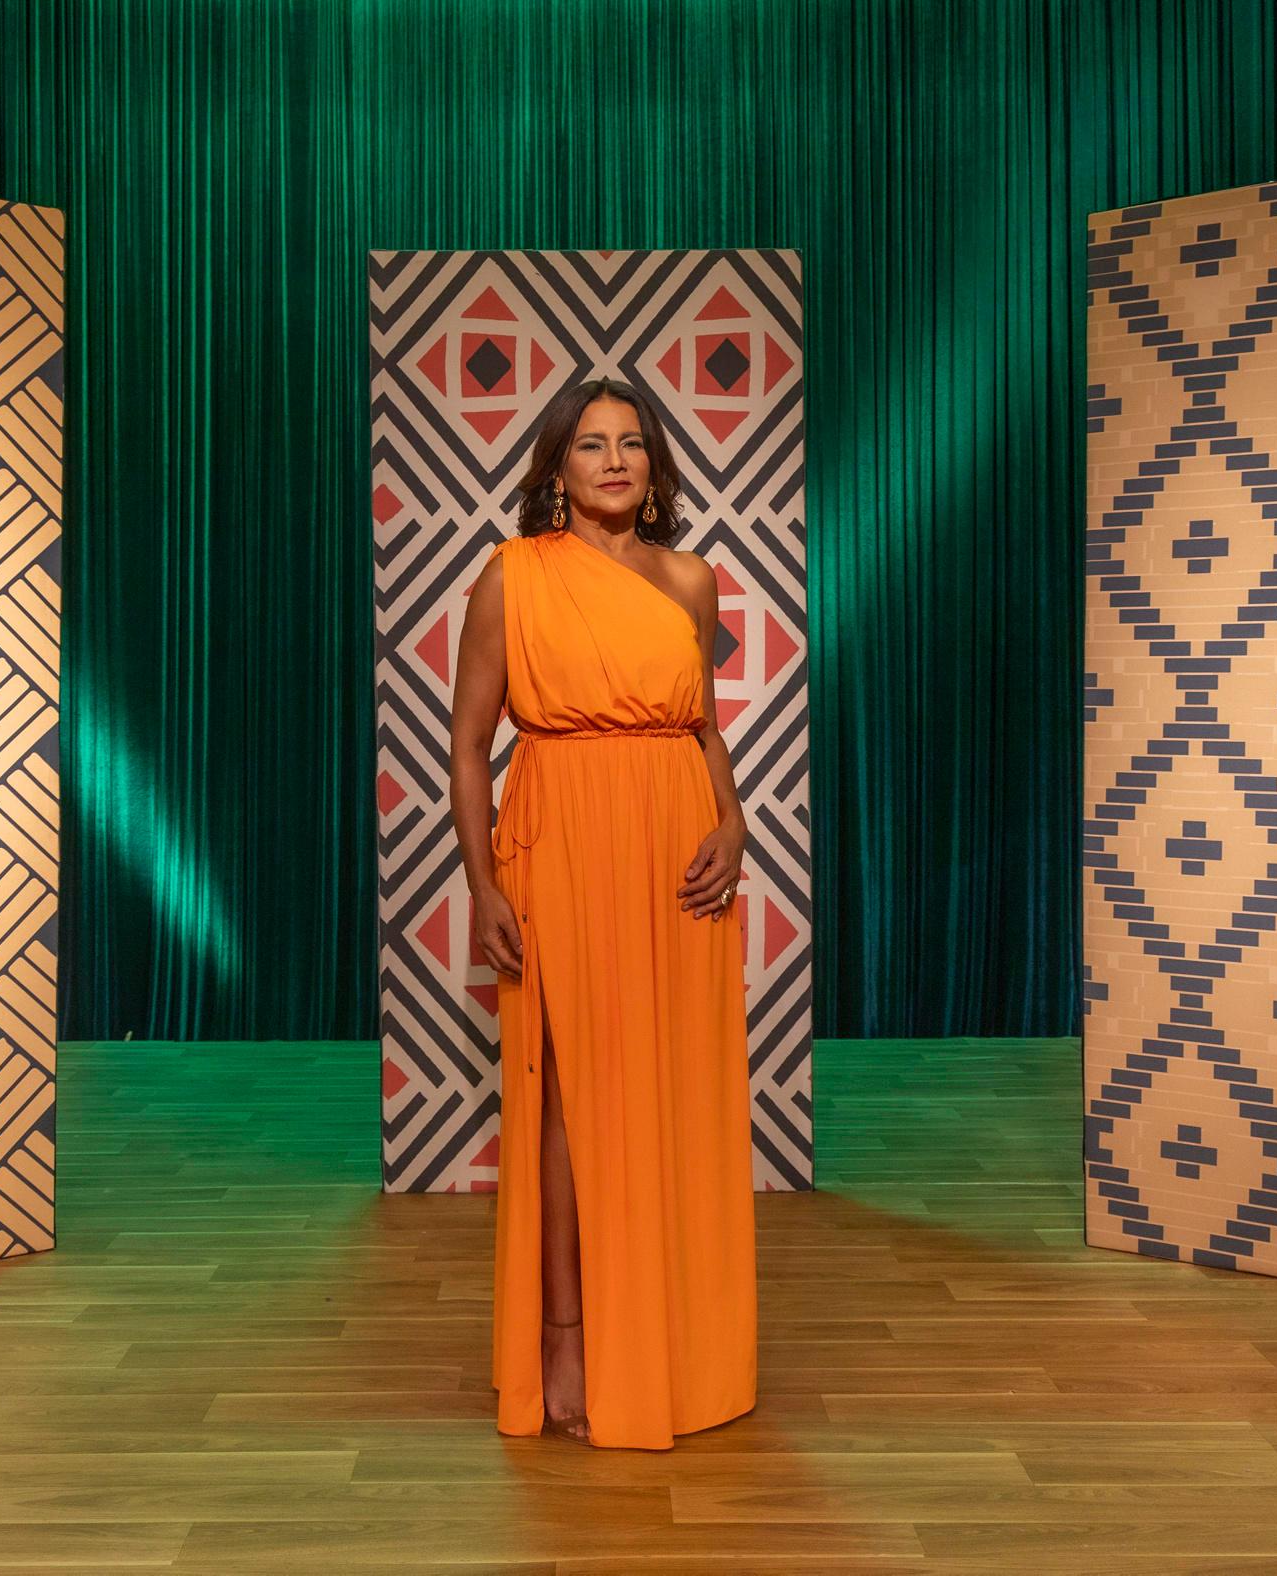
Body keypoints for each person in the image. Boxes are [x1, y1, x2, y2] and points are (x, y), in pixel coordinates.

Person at [448, 376, 758, 1449]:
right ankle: (568, 1342)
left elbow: (702, 725)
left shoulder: (690, 580)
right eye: (591, 444)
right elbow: (469, 746)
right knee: (566, 1106)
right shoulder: (512, 576)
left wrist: (733, 823)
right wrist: (484, 883)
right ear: (557, 468)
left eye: (632, 443)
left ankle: (671, 1342)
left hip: (677, 852)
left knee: (674, 1088)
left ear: (655, 466)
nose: (615, 460)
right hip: (563, 845)